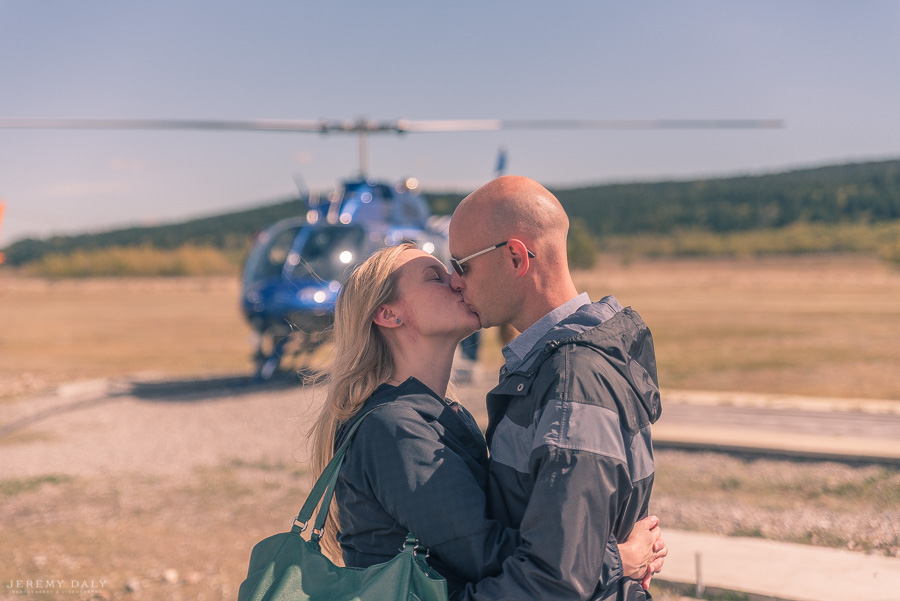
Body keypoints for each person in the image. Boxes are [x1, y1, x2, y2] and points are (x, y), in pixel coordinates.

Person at [308, 241, 665, 600]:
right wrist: (617, 558)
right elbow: (487, 552)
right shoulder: (392, 427)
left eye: (455, 270)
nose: (457, 282)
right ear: (389, 314)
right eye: (436, 277)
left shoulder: (434, 414)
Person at [446, 175, 663, 601]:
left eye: (461, 265)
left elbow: (555, 581)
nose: (455, 282)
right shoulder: (574, 363)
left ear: (514, 257)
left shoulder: (571, 380)